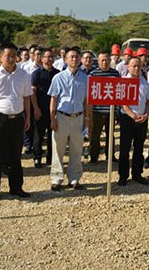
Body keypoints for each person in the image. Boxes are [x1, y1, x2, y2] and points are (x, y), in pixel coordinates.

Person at [0, 43, 33, 201]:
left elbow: (26, 97)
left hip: (17, 119)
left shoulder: (23, 75)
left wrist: (28, 117)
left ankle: (16, 188)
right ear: (0, 57)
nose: (10, 58)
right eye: (7, 55)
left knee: (15, 156)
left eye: (13, 55)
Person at [48, 47, 90, 191]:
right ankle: (56, 179)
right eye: (71, 57)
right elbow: (53, 99)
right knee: (58, 150)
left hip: (78, 117)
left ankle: (74, 179)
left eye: (77, 57)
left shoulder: (85, 78)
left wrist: (87, 118)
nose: (74, 59)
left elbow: (86, 101)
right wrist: (52, 118)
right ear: (65, 60)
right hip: (61, 117)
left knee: (76, 150)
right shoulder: (58, 78)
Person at [118, 57, 149, 186]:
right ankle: (123, 176)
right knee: (124, 149)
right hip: (127, 118)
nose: (136, 68)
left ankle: (137, 174)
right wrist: (133, 115)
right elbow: (122, 102)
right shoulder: (123, 82)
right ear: (128, 66)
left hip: (142, 118)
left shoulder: (145, 83)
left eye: (138, 66)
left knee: (139, 148)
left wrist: (146, 114)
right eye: (133, 66)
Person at [87, 51, 120, 164]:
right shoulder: (92, 74)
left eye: (106, 60)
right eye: (102, 60)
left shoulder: (115, 74)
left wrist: (117, 111)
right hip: (97, 110)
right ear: (98, 61)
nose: (105, 62)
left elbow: (118, 93)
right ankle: (94, 156)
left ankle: (110, 155)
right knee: (95, 134)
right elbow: (89, 94)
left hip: (111, 110)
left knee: (110, 135)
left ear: (110, 61)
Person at [31, 49, 59, 167]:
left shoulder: (57, 73)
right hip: (40, 108)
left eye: (51, 57)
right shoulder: (36, 73)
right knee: (38, 135)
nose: (49, 59)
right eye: (47, 57)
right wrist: (36, 108)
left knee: (53, 135)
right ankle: (37, 157)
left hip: (54, 109)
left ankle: (50, 157)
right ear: (41, 58)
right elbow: (33, 92)